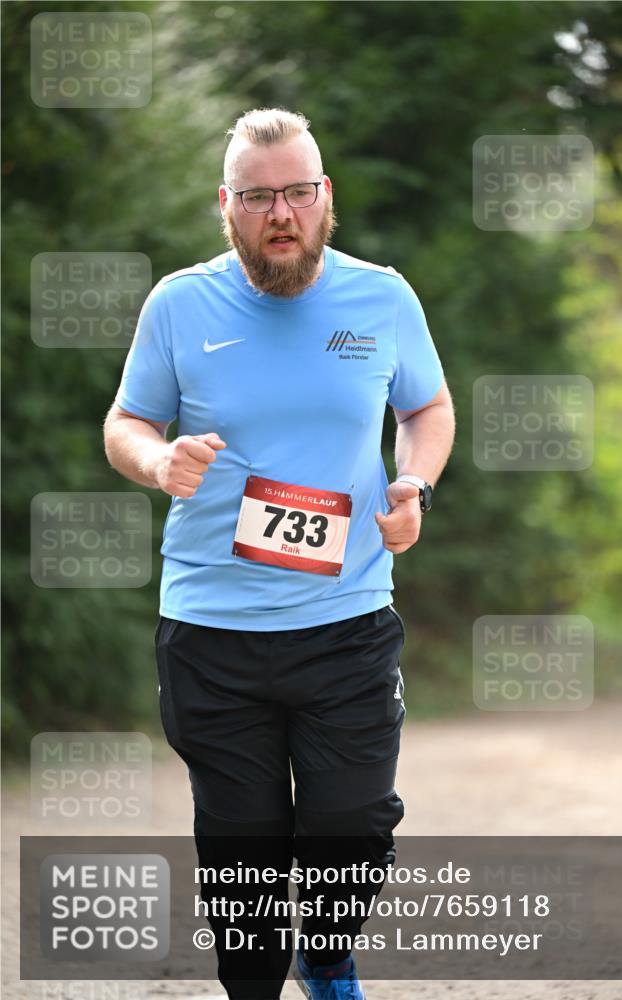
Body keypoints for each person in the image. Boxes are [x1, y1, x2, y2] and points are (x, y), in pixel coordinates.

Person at [104, 107, 455, 1000]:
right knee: (243, 871)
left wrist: (412, 484)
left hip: (345, 625)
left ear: (325, 195)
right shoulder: (181, 303)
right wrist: (157, 459)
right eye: (259, 197)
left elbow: (427, 409)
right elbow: (127, 421)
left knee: (352, 827)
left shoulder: (382, 297)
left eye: (298, 191)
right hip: (212, 634)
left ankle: (328, 953)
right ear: (228, 206)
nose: (281, 213)